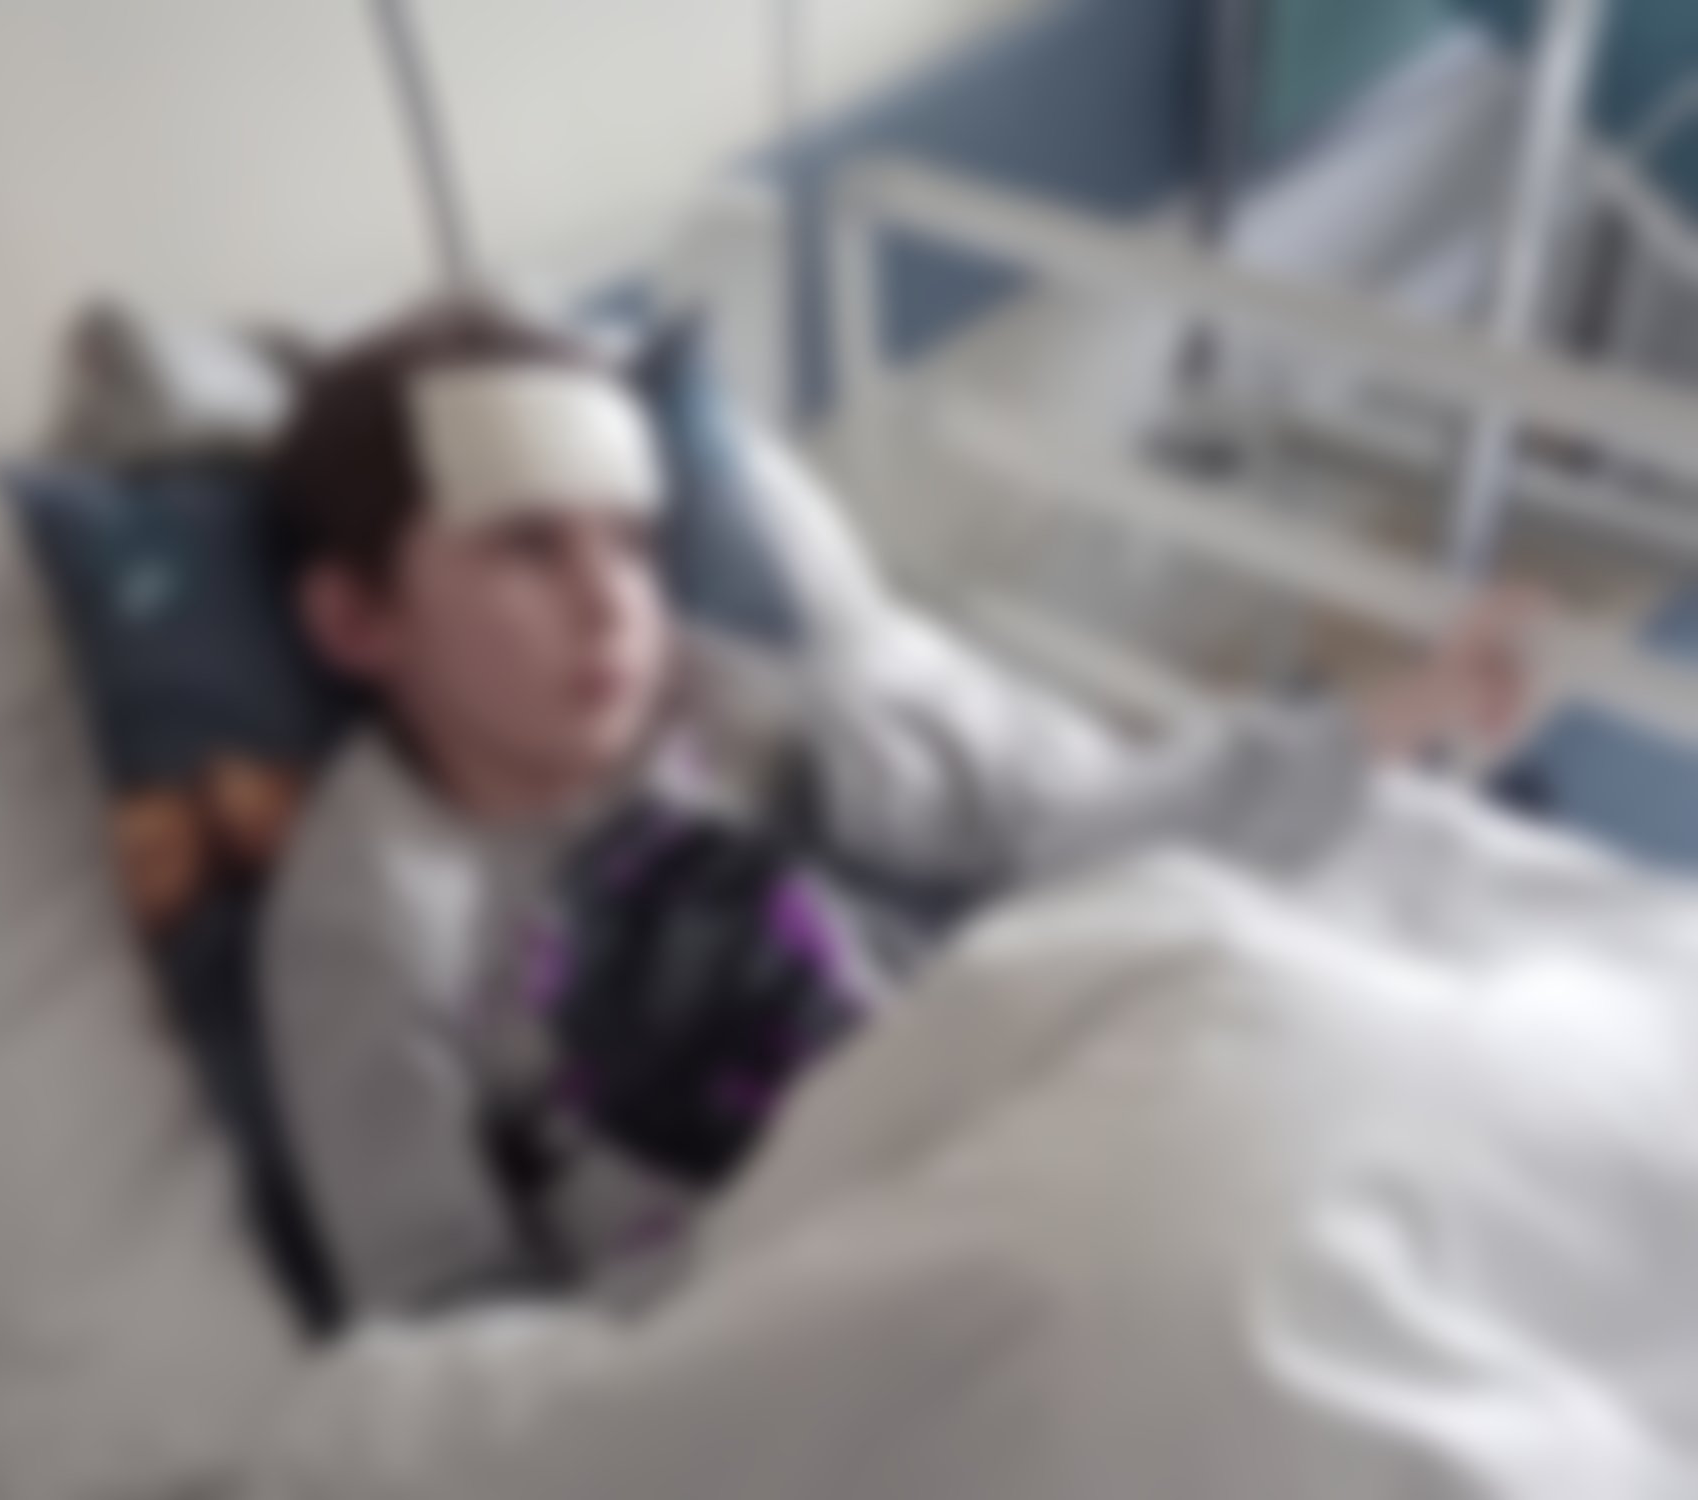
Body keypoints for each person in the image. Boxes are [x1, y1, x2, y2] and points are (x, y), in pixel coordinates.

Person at [258, 296, 1530, 1322]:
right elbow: (443, 1321)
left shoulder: (741, 717)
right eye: (528, 547)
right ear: (357, 620)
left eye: (633, 545)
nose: (609, 604)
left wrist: (1380, 722)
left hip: (1005, 1151)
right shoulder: (369, 916)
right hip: (759, 1331)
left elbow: (1061, 849)